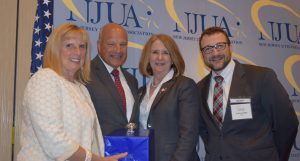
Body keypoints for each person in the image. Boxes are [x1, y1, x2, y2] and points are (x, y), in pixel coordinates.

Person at [17, 23, 127, 161]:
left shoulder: (81, 88)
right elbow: (55, 142)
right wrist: (97, 160)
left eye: (82, 46)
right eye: (69, 45)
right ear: (55, 49)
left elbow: (91, 140)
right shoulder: (45, 78)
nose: (77, 52)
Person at [197, 26, 299, 161]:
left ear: (230, 47)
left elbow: (286, 123)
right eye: (208, 49)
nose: (215, 53)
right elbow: (206, 131)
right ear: (202, 54)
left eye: (220, 46)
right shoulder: (199, 88)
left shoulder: (261, 77)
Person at [138, 34, 201, 161]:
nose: (160, 57)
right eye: (155, 52)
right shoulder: (141, 92)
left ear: (173, 58)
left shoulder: (185, 86)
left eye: (166, 53)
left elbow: (189, 135)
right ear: (148, 57)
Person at [86, 23, 139, 136]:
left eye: (123, 44)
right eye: (111, 44)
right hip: (99, 152)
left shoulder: (132, 80)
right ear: (99, 45)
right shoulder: (85, 74)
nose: (118, 50)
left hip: (130, 151)